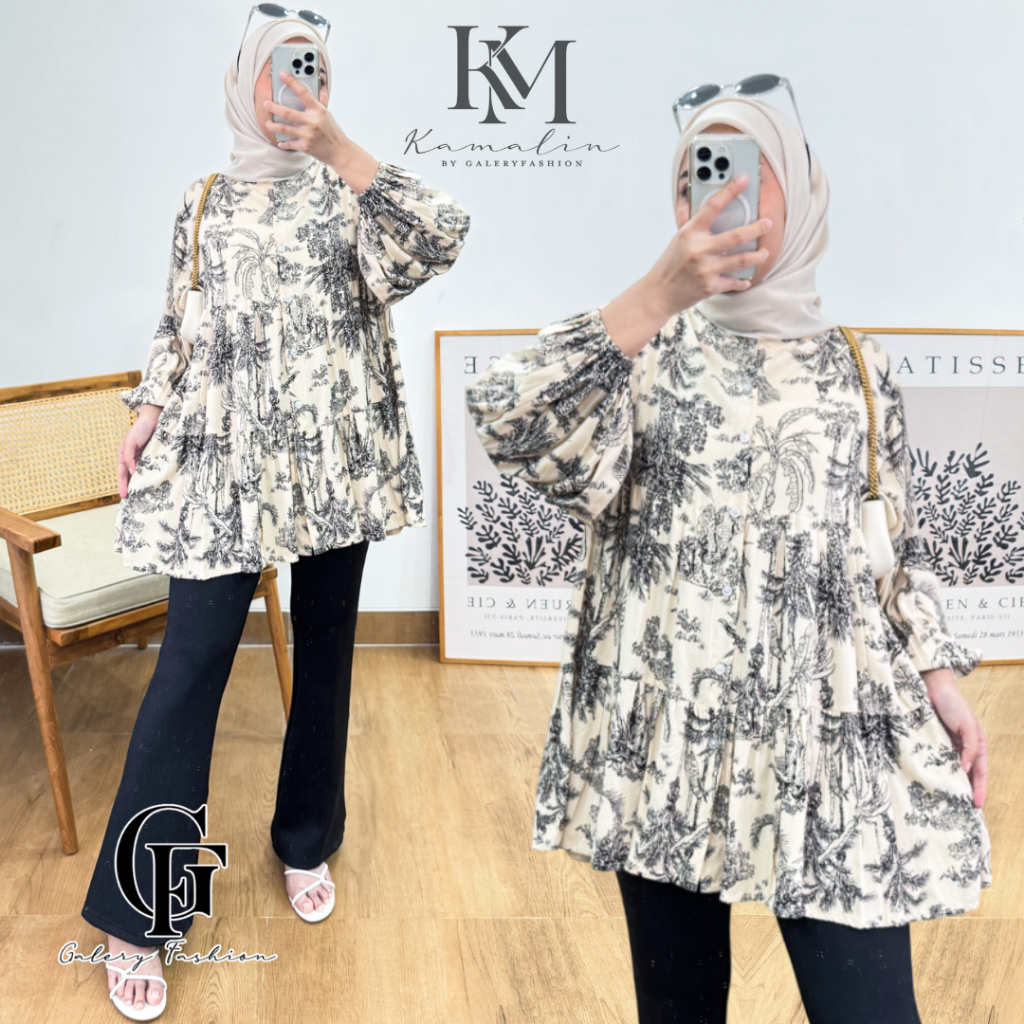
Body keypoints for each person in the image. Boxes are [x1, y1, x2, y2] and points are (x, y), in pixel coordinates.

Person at [465, 94, 990, 1024]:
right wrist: (655, 295)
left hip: (827, 741)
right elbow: (508, 420)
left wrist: (939, 678)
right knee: (679, 1005)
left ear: (804, 192)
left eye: (742, 175)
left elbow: (893, 552)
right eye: (690, 183)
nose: (711, 200)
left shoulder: (859, 369)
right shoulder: (639, 352)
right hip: (668, 733)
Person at [81, 13, 469, 1018]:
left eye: (315, 71)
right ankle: (145, 908)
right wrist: (146, 413)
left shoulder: (349, 193)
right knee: (192, 664)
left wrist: (342, 148)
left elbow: (442, 233)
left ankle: (305, 839)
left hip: (334, 460)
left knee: (326, 650)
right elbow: (179, 321)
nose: (297, 87)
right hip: (222, 462)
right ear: (243, 80)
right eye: (282, 70)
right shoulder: (202, 199)